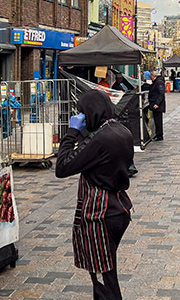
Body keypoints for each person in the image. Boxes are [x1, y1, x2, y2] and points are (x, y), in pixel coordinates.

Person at [55, 90, 134, 300]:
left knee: (104, 281)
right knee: (106, 273)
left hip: (99, 215)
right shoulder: (121, 130)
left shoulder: (100, 140)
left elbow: (62, 167)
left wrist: (72, 132)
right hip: (119, 208)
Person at [148, 70, 166, 141]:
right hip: (155, 104)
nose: (150, 78)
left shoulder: (159, 82)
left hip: (158, 105)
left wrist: (157, 104)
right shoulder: (156, 82)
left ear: (153, 76)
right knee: (156, 120)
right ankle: (158, 134)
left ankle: (159, 135)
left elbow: (161, 94)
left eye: (151, 76)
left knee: (158, 121)